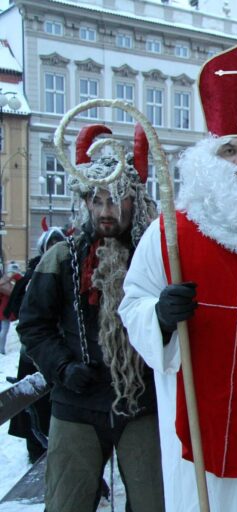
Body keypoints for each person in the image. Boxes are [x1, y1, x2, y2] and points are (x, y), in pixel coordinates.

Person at [119, 44, 237, 511]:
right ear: (210, 157)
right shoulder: (171, 232)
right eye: (230, 150)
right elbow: (134, 302)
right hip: (195, 418)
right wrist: (160, 316)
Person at [17, 122, 164, 512]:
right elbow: (33, 325)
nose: (105, 211)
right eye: (96, 201)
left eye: (116, 200)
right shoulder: (61, 258)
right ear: (86, 203)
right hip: (76, 404)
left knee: (155, 503)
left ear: (135, 201)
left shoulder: (156, 259)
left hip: (141, 405)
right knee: (67, 502)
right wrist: (62, 368)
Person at [6, 222, 67, 462]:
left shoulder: (70, 271)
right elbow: (23, 314)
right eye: (51, 244)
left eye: (58, 243)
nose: (54, 248)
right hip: (36, 356)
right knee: (38, 409)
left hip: (62, 353)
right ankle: (36, 448)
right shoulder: (34, 274)